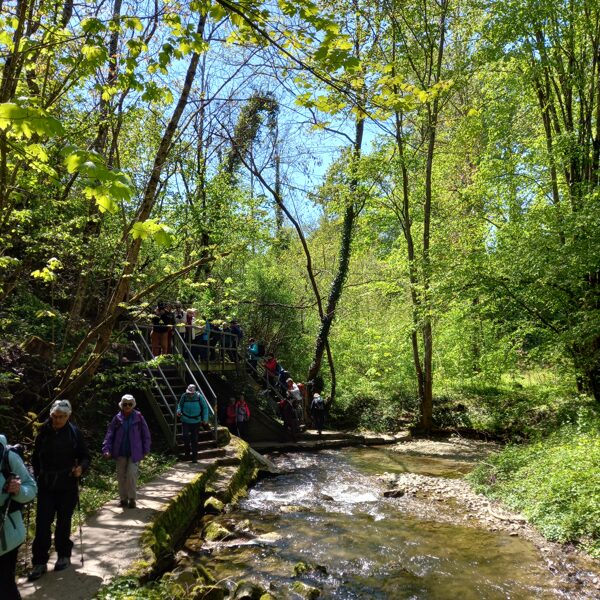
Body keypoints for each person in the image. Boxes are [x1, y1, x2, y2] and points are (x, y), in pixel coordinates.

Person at [28, 399, 90, 581]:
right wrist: (36, 476)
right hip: (46, 485)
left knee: (63, 522)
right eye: (55, 416)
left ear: (68, 416)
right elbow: (35, 458)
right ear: (51, 415)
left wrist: (81, 469)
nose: (57, 420)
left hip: (67, 484)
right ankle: (39, 561)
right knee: (42, 523)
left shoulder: (73, 433)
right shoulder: (43, 432)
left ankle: (64, 554)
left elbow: (85, 456)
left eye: (62, 417)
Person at [1, 435, 37, 599]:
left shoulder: (7, 456)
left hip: (6, 537)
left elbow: (31, 488)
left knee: (5, 586)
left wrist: (18, 490)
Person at [102, 394, 151, 509]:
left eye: (130, 404)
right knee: (120, 476)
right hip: (120, 452)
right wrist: (106, 449)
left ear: (133, 405)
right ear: (121, 405)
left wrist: (146, 449)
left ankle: (132, 499)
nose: (127, 406)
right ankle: (123, 499)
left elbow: (146, 434)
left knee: (131, 474)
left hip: (135, 452)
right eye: (125, 404)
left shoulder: (139, 417)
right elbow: (109, 434)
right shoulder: (117, 418)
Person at [177, 385, 210, 463]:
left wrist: (205, 418)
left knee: (194, 439)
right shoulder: (184, 396)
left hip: (196, 421)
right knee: (185, 436)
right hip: (185, 419)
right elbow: (180, 405)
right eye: (189, 393)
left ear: (194, 392)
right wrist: (178, 411)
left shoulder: (199, 396)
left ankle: (194, 457)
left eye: (192, 393)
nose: (190, 394)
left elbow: (205, 407)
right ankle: (187, 451)